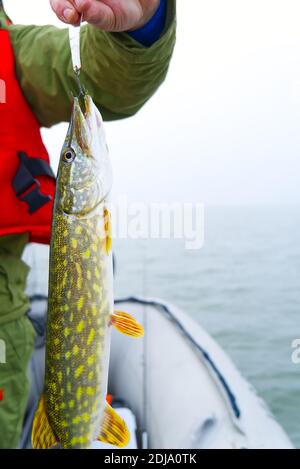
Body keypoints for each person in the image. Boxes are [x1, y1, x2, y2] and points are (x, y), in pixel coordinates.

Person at [0, 0, 176, 449]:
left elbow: (103, 77)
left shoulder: (14, 52)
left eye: (70, 157)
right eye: (71, 156)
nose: (75, 148)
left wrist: (141, 24)